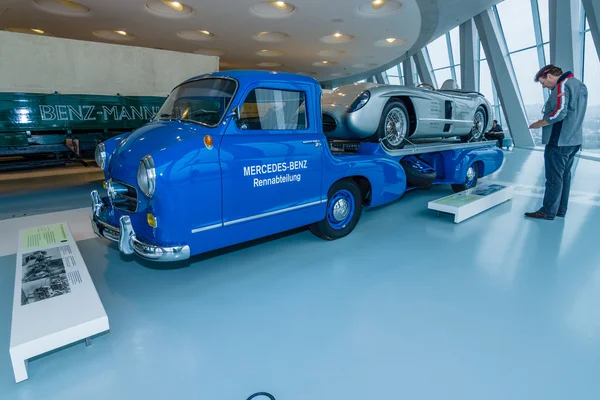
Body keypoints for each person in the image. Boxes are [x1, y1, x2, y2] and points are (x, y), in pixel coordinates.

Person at [524, 64, 588, 220]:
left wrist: (540, 123)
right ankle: (560, 209)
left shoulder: (562, 85)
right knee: (564, 177)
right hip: (573, 140)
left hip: (559, 141)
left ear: (549, 75)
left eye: (543, 83)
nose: (545, 87)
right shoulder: (580, 85)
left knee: (553, 178)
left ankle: (547, 211)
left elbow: (560, 112)